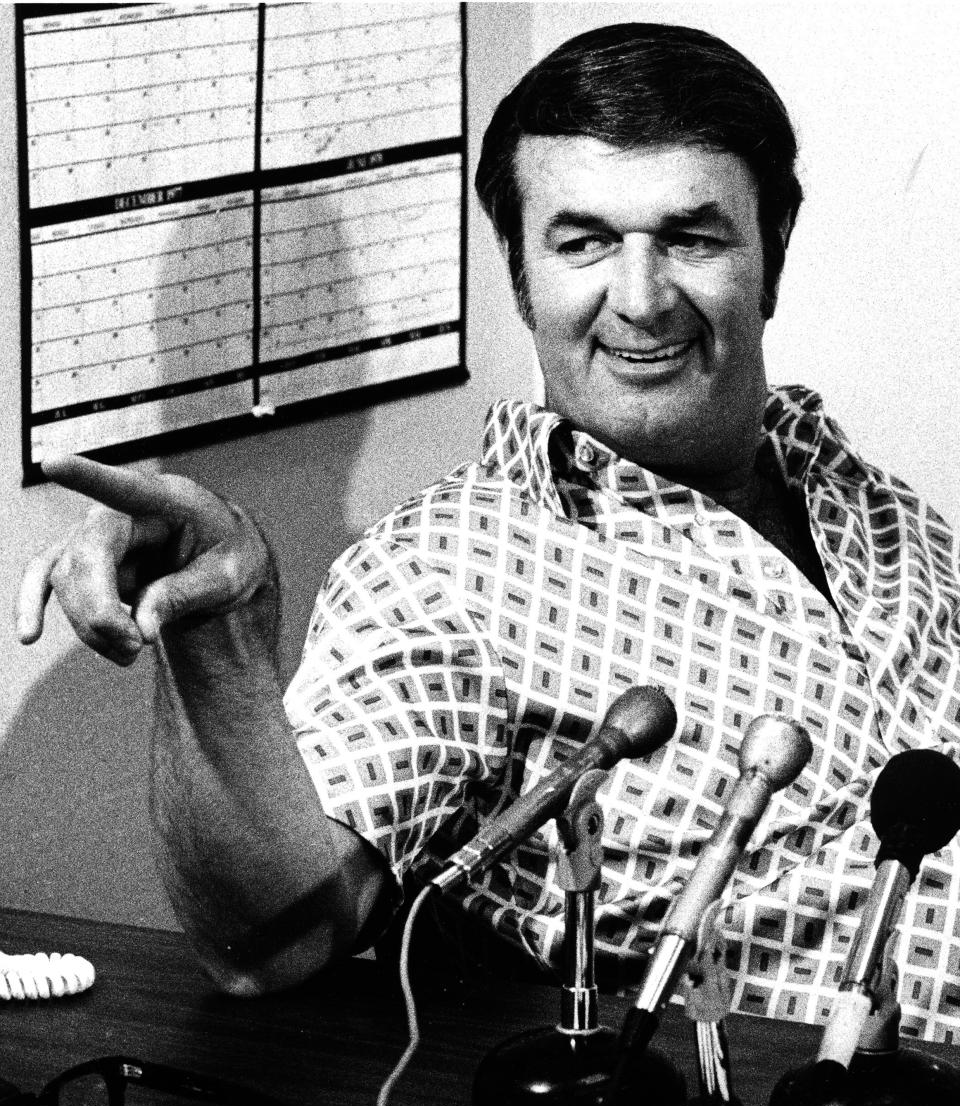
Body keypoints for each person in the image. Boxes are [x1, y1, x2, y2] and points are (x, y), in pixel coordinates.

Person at [15, 23, 960, 1043]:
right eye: (584, 242)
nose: (640, 300)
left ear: (771, 253)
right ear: (521, 277)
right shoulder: (453, 572)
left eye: (692, 237)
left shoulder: (869, 500)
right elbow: (269, 940)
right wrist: (218, 650)